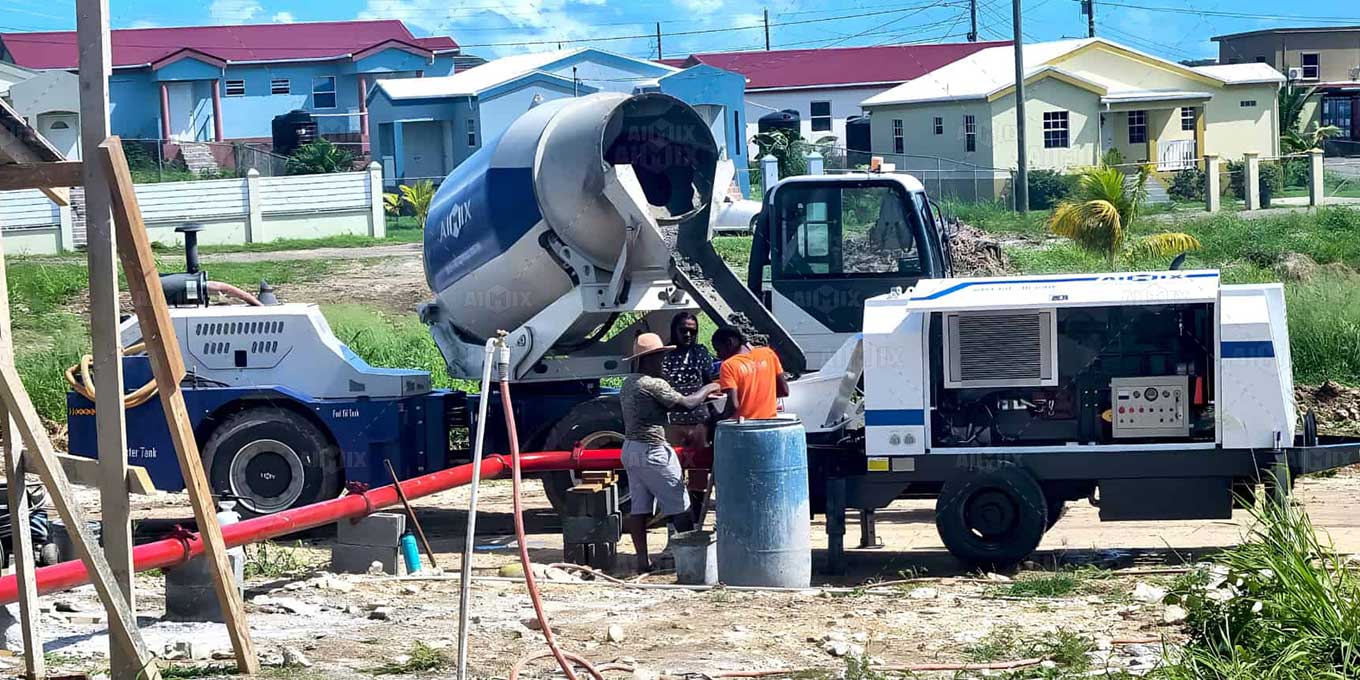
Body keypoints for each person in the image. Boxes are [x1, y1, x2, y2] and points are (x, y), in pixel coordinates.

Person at [620, 332, 721, 573]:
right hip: (653, 451)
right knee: (680, 506)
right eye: (660, 357)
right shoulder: (653, 383)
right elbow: (686, 404)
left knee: (640, 508)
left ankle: (642, 561)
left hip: (630, 449)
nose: (663, 361)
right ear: (650, 359)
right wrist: (710, 387)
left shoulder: (629, 383)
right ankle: (689, 560)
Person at [660, 312, 717, 521]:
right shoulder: (665, 355)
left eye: (692, 331)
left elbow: (708, 380)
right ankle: (673, 529)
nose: (687, 334)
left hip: (699, 421)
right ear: (674, 330)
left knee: (698, 475)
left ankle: (695, 524)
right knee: (671, 476)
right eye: (683, 330)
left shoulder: (701, 352)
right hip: (672, 422)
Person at [712, 327, 789, 421]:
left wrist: (718, 418)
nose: (718, 355)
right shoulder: (768, 353)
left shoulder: (728, 365)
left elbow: (733, 405)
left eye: (718, 350)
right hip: (770, 423)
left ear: (729, 342)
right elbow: (784, 391)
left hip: (744, 427)